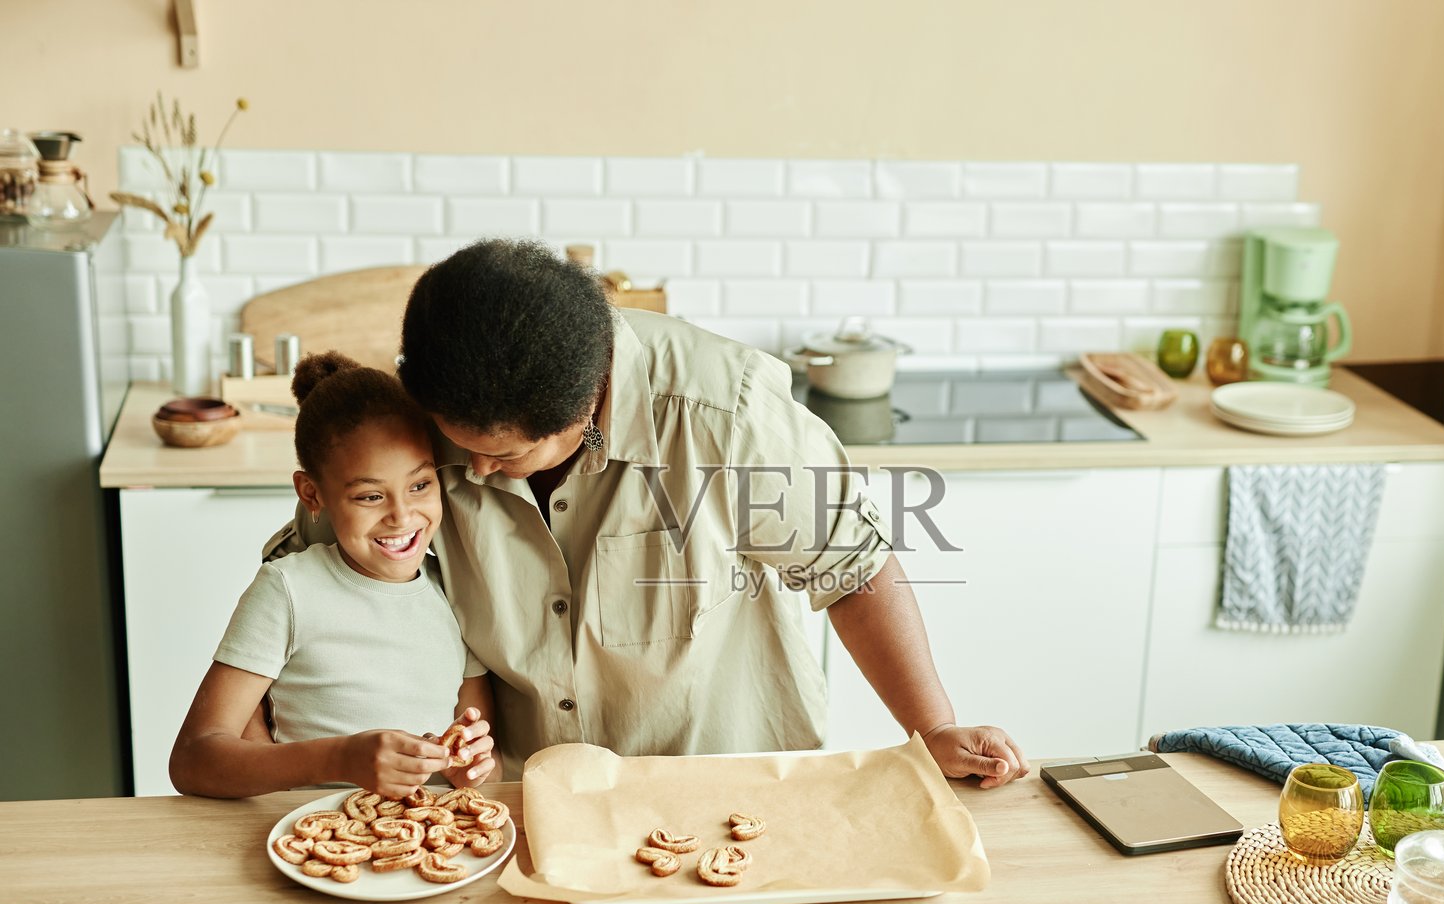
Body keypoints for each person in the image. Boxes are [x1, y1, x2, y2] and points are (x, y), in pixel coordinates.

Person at [268, 239, 1028, 788]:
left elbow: (855, 570)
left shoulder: (724, 417)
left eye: (501, 458)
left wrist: (931, 731)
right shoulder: (434, 421)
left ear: (582, 413)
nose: (471, 470)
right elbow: (317, 567)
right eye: (455, 445)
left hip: (727, 786)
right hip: (533, 797)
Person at [169, 353, 496, 798]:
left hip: (428, 846)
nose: (402, 516)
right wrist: (341, 758)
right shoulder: (287, 590)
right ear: (312, 494)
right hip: (312, 841)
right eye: (369, 496)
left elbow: (483, 773)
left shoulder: (456, 589)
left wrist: (472, 767)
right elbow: (193, 759)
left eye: (420, 485)